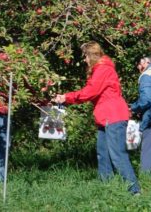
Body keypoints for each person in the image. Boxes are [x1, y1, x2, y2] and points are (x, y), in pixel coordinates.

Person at [53, 41, 140, 195]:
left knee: (118, 155)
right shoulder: (101, 69)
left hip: (112, 116)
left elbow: (90, 92)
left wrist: (67, 97)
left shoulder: (103, 69)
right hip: (104, 117)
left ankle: (134, 191)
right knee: (103, 153)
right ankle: (107, 186)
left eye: (85, 56)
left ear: (91, 55)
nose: (84, 60)